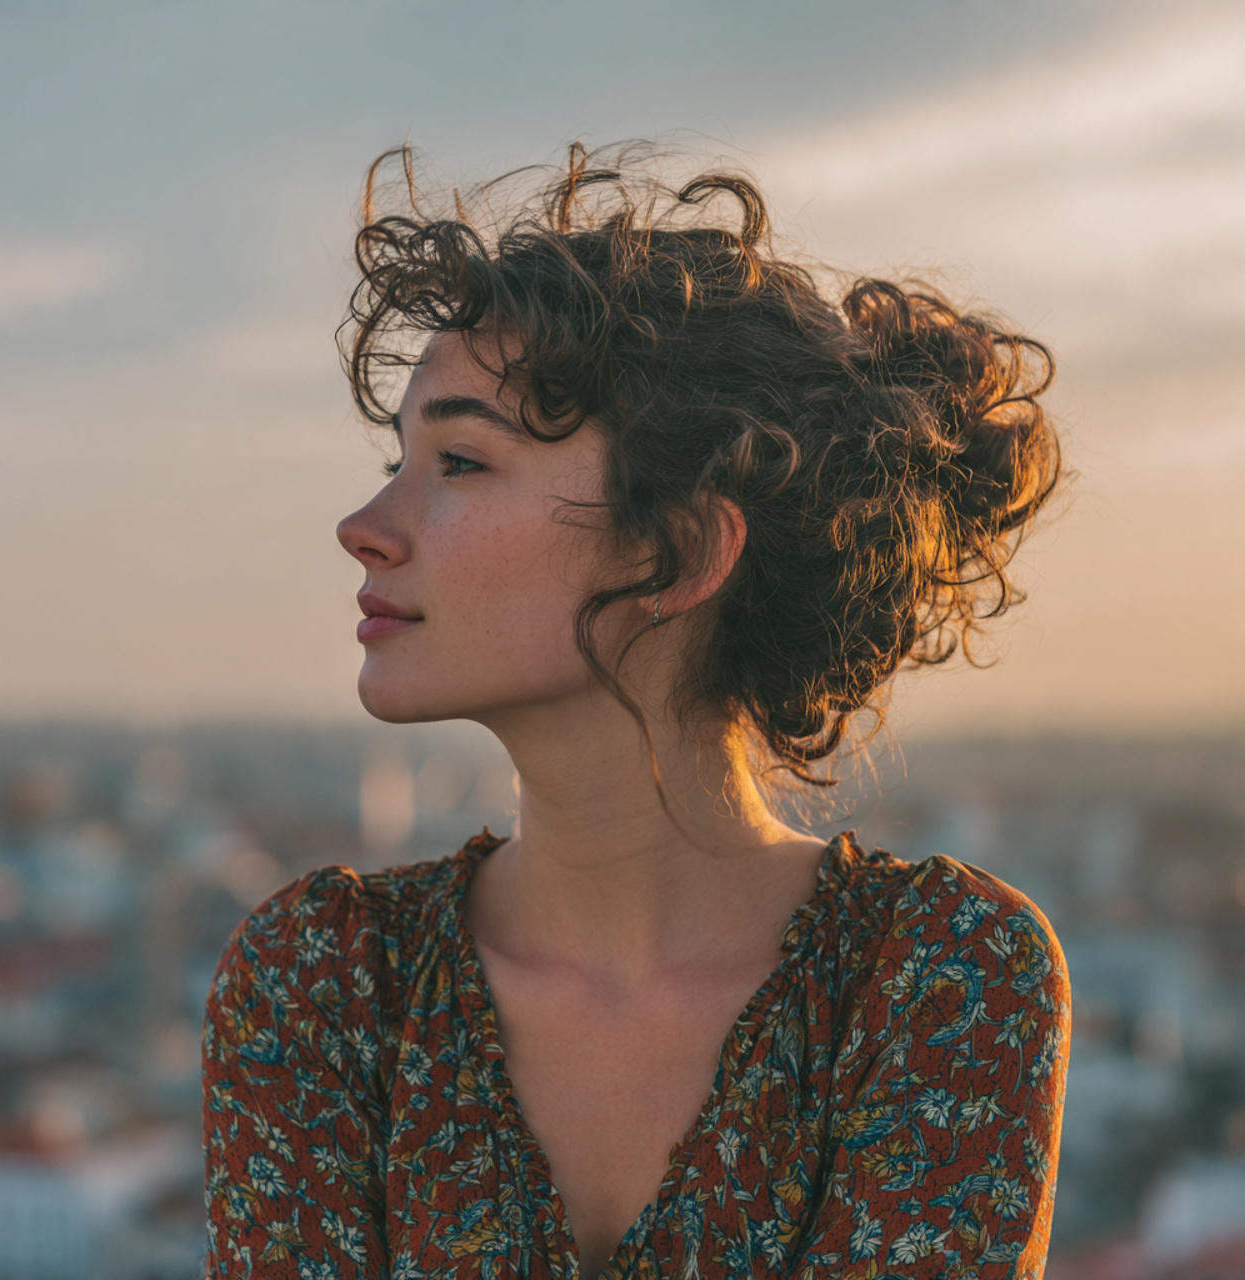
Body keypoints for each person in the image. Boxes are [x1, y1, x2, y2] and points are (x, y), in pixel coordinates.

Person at [202, 143, 1070, 1280]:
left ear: (679, 548)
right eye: (395, 457)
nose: (363, 523)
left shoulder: (934, 976)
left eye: (459, 461)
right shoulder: (325, 977)